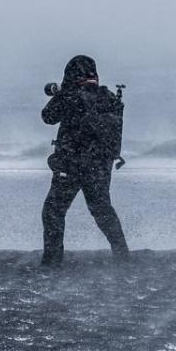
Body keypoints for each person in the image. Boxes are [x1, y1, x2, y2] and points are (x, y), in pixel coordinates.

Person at [40, 54, 129, 265]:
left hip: (71, 165)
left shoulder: (70, 97)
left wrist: (60, 93)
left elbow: (48, 116)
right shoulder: (109, 97)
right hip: (100, 166)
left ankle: (52, 262)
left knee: (53, 211)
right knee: (103, 211)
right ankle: (122, 256)